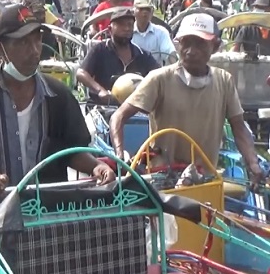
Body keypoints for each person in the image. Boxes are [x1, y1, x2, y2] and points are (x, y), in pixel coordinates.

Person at [0, 4, 116, 194]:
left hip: (49, 206)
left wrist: (97, 166)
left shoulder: (59, 95)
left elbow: (73, 151)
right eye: (23, 43)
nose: (34, 51)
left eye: (37, 40)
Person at [110, 13, 262, 183]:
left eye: (199, 44)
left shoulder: (224, 81)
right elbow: (119, 116)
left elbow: (239, 127)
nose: (190, 51)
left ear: (216, 46)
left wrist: (253, 163)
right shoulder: (159, 78)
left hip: (204, 178)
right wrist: (119, 154)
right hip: (163, 177)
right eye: (186, 43)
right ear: (178, 43)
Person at [76, 9, 159, 105]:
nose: (126, 28)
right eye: (121, 25)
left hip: (135, 109)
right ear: (110, 29)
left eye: (130, 25)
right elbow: (81, 73)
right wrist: (99, 90)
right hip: (103, 107)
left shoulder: (142, 54)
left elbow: (158, 74)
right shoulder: (100, 49)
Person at [131, 0, 177, 65]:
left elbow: (169, 53)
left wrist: (175, 68)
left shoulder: (161, 32)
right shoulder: (127, 32)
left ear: (152, 13)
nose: (145, 12)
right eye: (141, 9)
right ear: (133, 12)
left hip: (156, 72)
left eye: (148, 9)